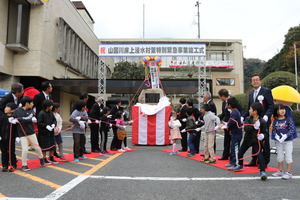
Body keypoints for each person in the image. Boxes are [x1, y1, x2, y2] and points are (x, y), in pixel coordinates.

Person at [242, 74, 274, 167]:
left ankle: (265, 161)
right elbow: (249, 108)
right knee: (254, 140)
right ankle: (254, 160)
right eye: (253, 80)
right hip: (254, 122)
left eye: (257, 80)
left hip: (264, 121)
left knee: (265, 141)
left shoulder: (266, 91)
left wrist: (267, 116)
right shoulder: (251, 93)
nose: (255, 81)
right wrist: (243, 117)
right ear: (251, 82)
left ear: (260, 81)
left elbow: (271, 106)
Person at [231, 102, 268, 180]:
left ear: (255, 111)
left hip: (256, 141)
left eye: (250, 109)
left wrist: (262, 136)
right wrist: (254, 127)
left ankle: (262, 171)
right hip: (247, 140)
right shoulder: (248, 119)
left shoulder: (262, 122)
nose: (249, 110)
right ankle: (240, 165)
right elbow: (246, 129)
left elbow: (266, 133)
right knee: (240, 153)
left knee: (259, 155)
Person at [13, 96, 44, 171]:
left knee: (36, 147)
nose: (33, 104)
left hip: (31, 132)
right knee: (25, 149)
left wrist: (32, 119)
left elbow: (29, 118)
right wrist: (13, 120)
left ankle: (41, 158)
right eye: (31, 103)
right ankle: (24, 165)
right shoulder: (17, 111)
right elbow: (14, 119)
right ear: (27, 103)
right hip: (22, 133)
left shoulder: (31, 111)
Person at [218, 89, 245, 160]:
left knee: (233, 142)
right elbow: (224, 114)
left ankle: (233, 157)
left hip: (233, 124)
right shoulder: (223, 103)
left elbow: (242, 109)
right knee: (226, 140)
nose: (219, 98)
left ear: (223, 96)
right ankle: (226, 155)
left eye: (220, 96)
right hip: (226, 123)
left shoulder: (233, 102)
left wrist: (241, 118)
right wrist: (218, 118)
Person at [271, 103, 295, 180]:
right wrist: (277, 137)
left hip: (288, 141)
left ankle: (289, 172)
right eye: (279, 109)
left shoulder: (288, 119)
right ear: (276, 111)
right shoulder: (275, 121)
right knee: (280, 156)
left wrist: (286, 136)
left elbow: (292, 130)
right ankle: (280, 171)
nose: (282, 111)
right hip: (279, 142)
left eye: (283, 109)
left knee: (288, 156)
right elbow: (274, 130)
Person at [224, 97, 243, 170]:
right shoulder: (234, 111)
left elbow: (232, 121)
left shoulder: (235, 112)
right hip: (234, 133)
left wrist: (227, 125)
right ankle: (232, 161)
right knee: (232, 148)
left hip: (237, 134)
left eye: (227, 104)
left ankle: (236, 163)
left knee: (235, 149)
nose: (226, 105)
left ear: (230, 105)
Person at [37, 100, 58, 165]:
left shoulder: (50, 113)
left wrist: (54, 124)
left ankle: (51, 157)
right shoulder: (41, 113)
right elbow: (39, 123)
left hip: (51, 132)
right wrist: (46, 126)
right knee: (44, 146)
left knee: (52, 145)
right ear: (47, 106)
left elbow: (54, 120)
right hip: (43, 133)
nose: (52, 106)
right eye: (51, 105)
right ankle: (44, 158)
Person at [0, 102, 18, 172]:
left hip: (11, 137)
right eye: (5, 107)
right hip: (2, 137)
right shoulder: (2, 117)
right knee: (3, 151)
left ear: (12, 110)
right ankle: (5, 165)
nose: (5, 109)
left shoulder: (14, 118)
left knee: (11, 151)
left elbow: (17, 128)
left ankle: (13, 165)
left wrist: (17, 136)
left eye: (7, 107)